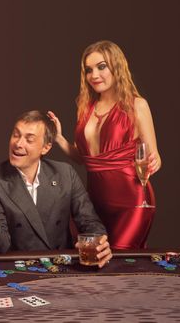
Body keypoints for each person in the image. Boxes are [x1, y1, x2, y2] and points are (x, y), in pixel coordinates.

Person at [0, 110, 112, 268]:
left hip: (62, 269)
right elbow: (0, 249)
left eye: (29, 139)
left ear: (46, 147)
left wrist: (99, 242)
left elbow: (89, 221)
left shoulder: (65, 173)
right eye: (16, 135)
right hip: (19, 271)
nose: (18, 144)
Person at [48, 40, 161, 250]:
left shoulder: (137, 105)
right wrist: (60, 140)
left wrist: (153, 162)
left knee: (119, 262)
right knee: (92, 263)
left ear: (116, 66)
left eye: (102, 67)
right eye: (89, 70)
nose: (94, 75)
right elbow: (85, 159)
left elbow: (154, 156)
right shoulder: (85, 108)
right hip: (93, 202)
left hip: (131, 201)